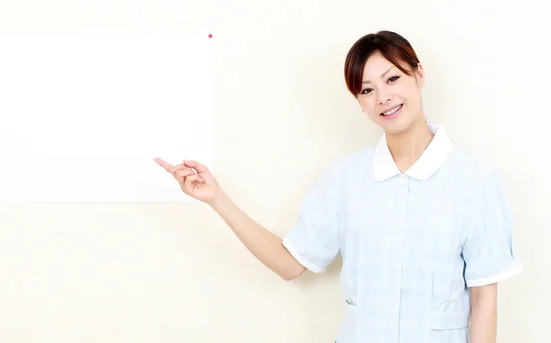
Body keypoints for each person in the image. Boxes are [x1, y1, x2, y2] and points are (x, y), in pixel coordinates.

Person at [154, 30, 523, 343]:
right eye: (366, 89)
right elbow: (290, 264)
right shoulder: (346, 179)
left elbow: (484, 298)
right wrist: (217, 199)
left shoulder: (475, 181)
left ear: (419, 75)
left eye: (392, 79)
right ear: (360, 103)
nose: (384, 98)